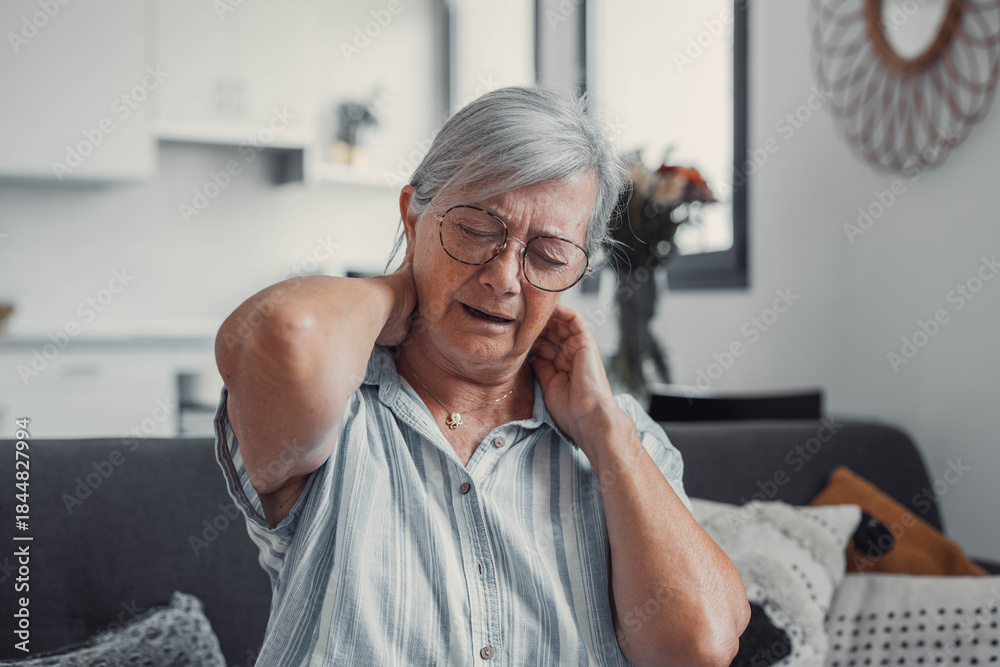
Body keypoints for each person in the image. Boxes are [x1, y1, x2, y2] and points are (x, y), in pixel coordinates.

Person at [213, 85, 750, 666]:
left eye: (548, 255)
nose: (505, 278)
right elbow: (285, 336)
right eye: (476, 229)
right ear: (412, 216)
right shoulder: (339, 410)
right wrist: (394, 292)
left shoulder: (623, 440)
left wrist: (605, 432)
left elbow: (700, 648)